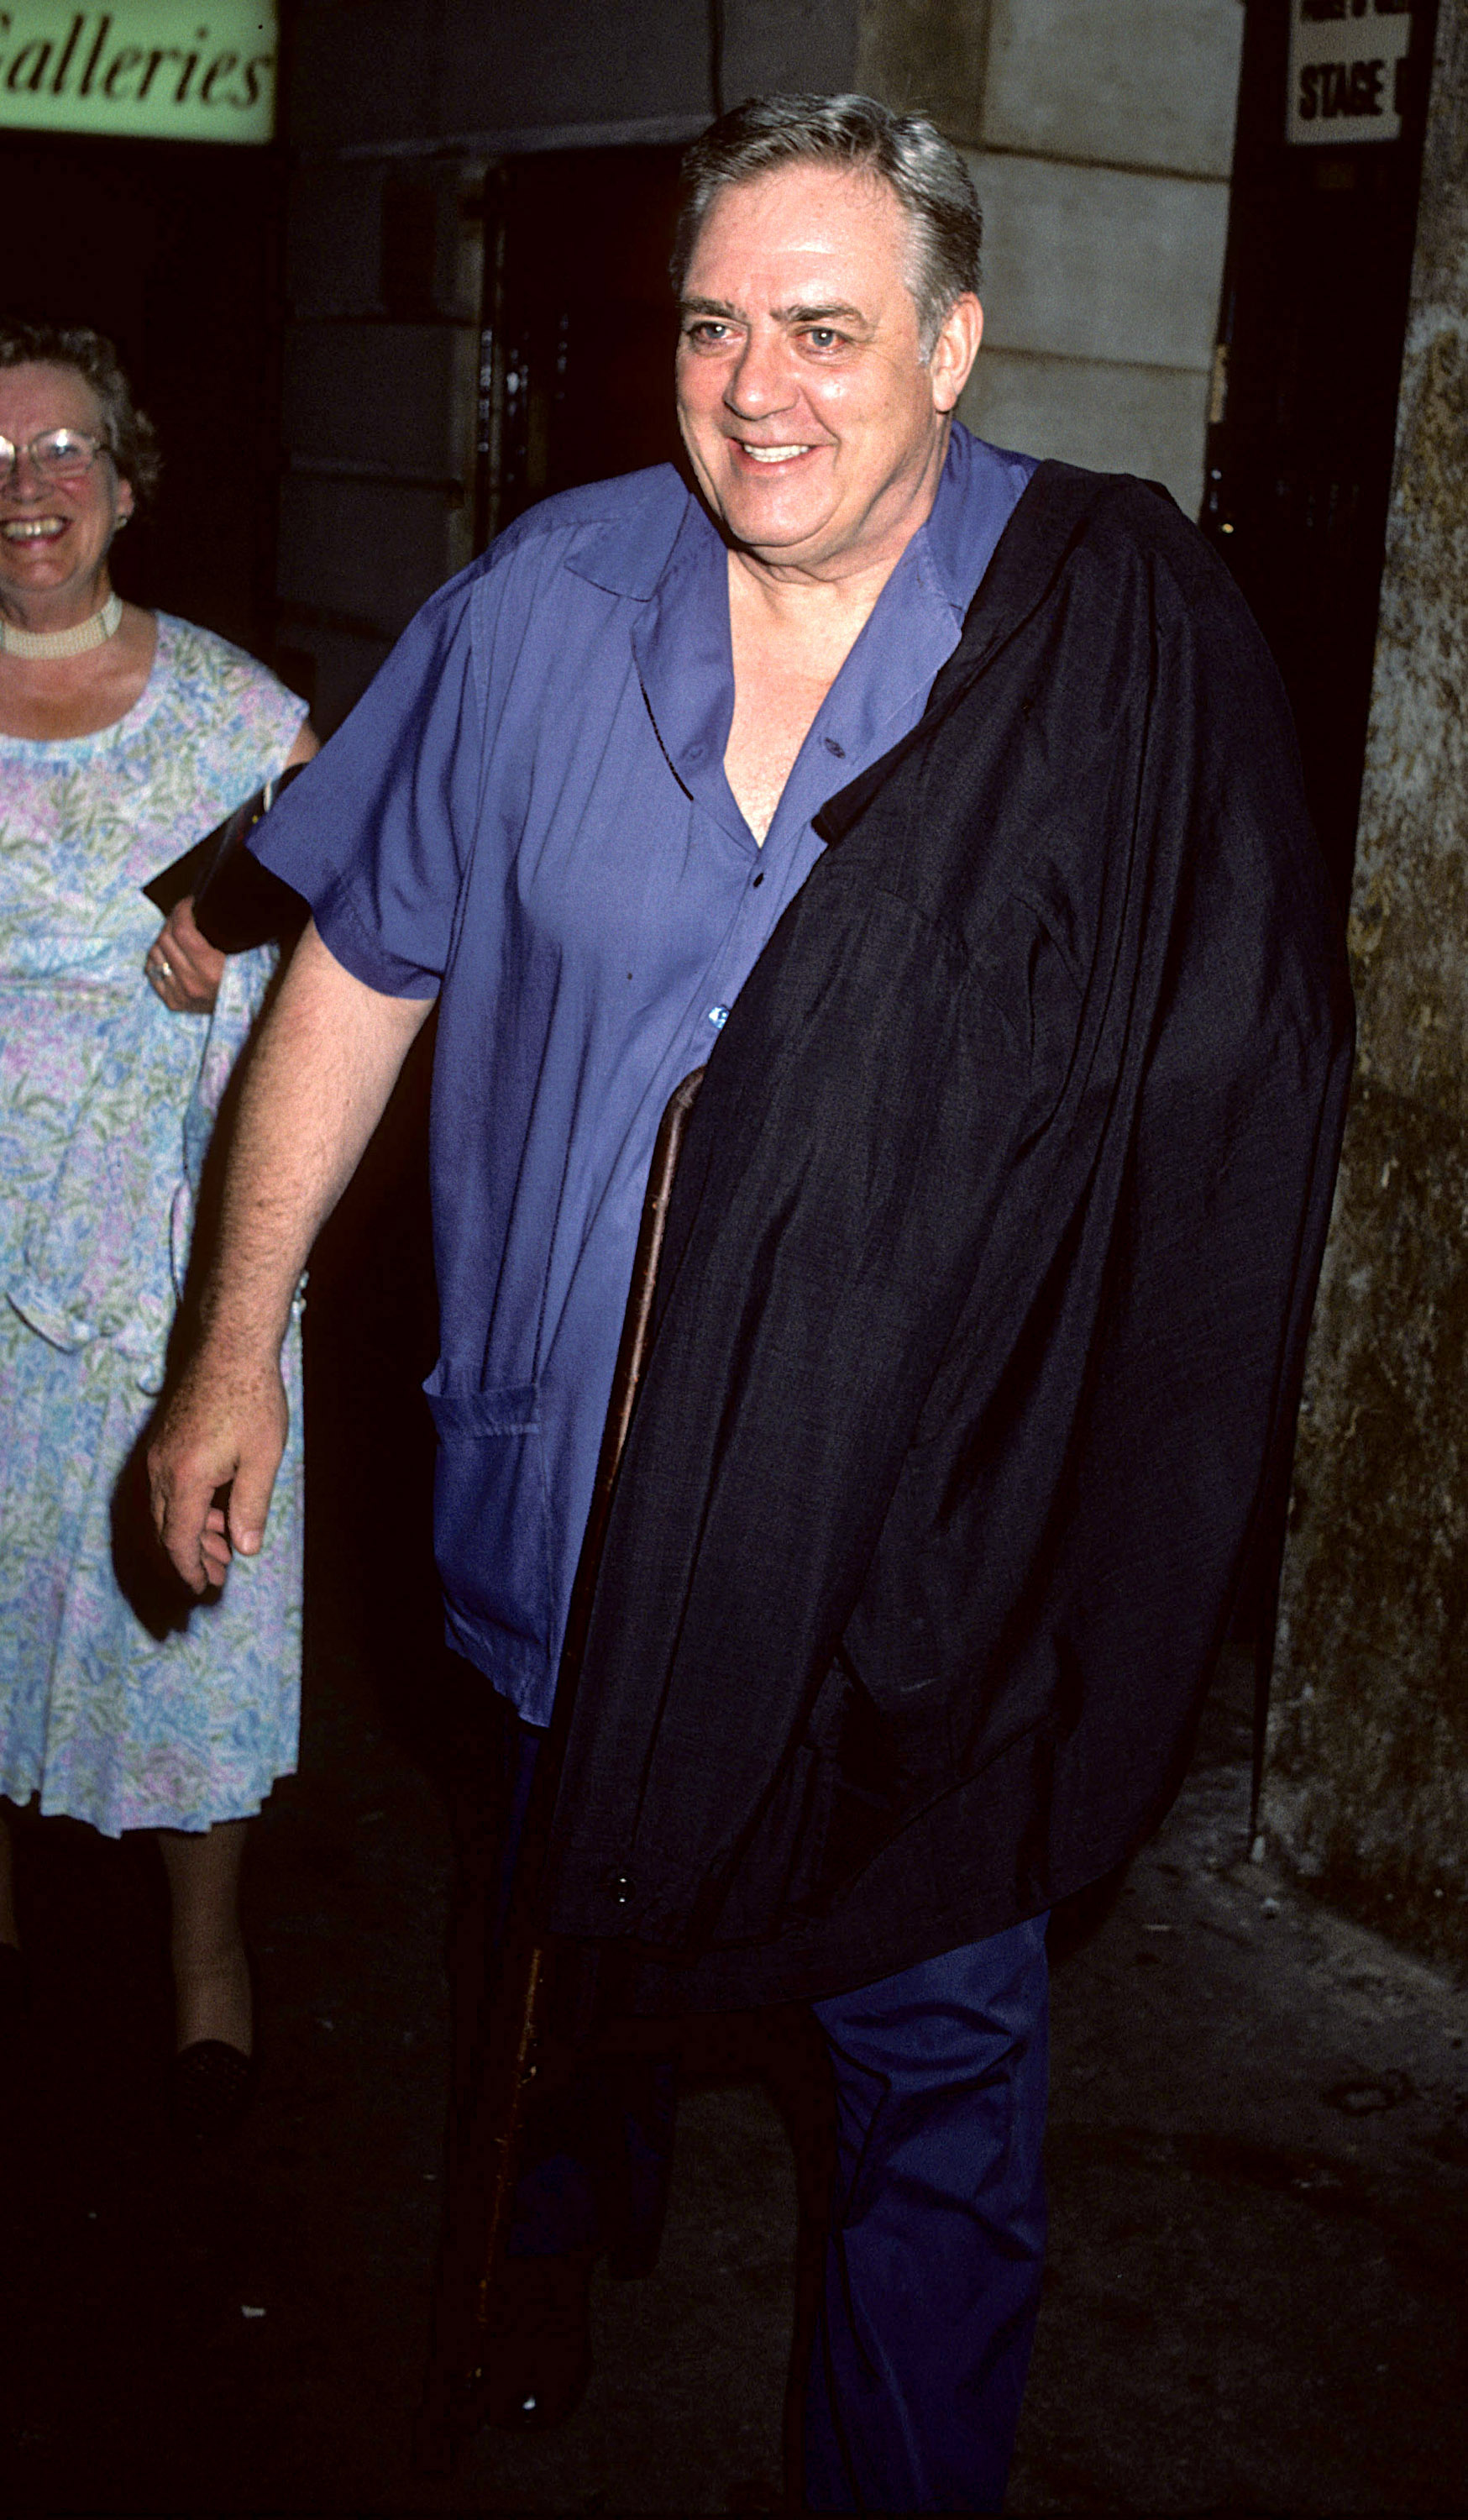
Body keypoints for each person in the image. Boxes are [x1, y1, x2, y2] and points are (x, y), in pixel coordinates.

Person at [148, 97, 1351, 2511]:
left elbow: (1218, 1114)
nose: (756, 388)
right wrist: (228, 1346)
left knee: (931, 2088)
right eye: (712, 325)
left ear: (956, 344)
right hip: (555, 1529)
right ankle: (548, 2235)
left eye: (823, 327)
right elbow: (354, 983)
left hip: (923, 1587)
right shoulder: (538, 610)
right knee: (566, 1970)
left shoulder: (1099, 655)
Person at [0, 322, 315, 2137]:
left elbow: (356, 970)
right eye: (2, 459)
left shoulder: (246, 721)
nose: (31, 487)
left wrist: (239, 962)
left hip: (162, 1254)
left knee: (191, 1596)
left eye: (65, 450)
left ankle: (211, 1971)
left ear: (125, 480)